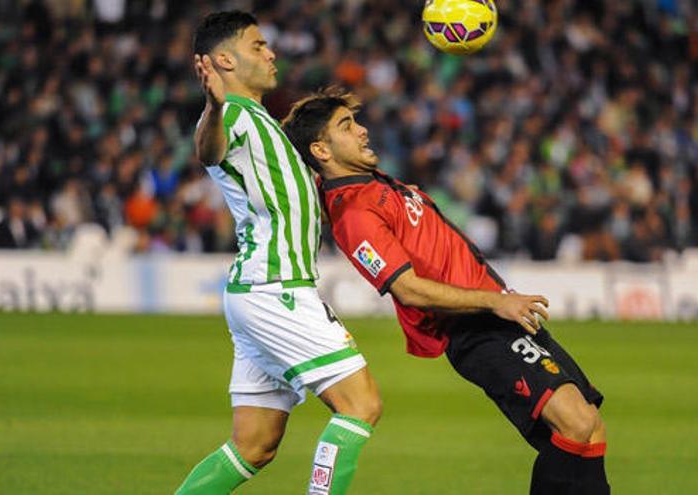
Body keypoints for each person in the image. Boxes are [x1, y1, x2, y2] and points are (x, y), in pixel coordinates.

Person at [282, 87, 609, 494]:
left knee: (590, 429)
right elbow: (408, 290)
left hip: (499, 312)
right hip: (474, 327)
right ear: (322, 151)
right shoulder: (354, 213)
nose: (363, 131)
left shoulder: (374, 184)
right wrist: (496, 302)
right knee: (575, 422)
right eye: (346, 126)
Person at [177, 13, 381, 495]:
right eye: (258, 45)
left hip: (258, 291)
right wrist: (212, 105)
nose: (271, 53)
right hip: (278, 289)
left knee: (254, 446)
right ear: (225, 60)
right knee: (361, 404)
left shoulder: (264, 122)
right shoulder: (232, 116)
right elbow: (208, 151)